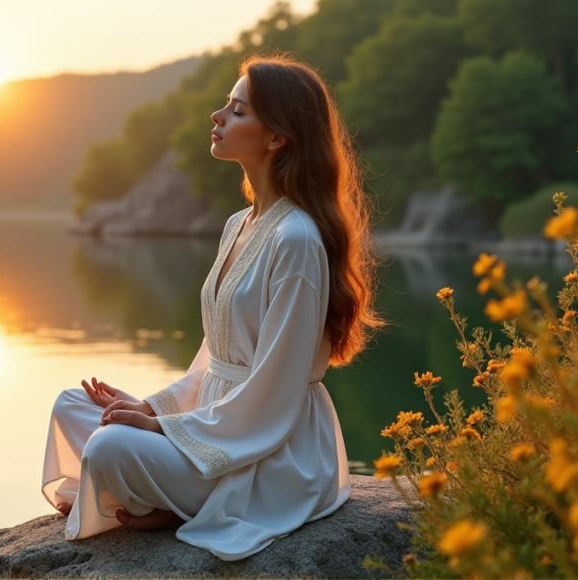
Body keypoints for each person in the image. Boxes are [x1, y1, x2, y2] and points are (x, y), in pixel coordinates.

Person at [41, 52, 384, 561]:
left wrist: (162, 429)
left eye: (238, 110)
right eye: (226, 105)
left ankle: (176, 502)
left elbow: (275, 388)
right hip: (216, 424)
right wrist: (152, 407)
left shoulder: (297, 238)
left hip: (273, 449)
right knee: (75, 404)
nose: (217, 117)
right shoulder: (238, 225)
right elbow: (214, 359)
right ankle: (168, 498)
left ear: (277, 137)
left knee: (110, 446)